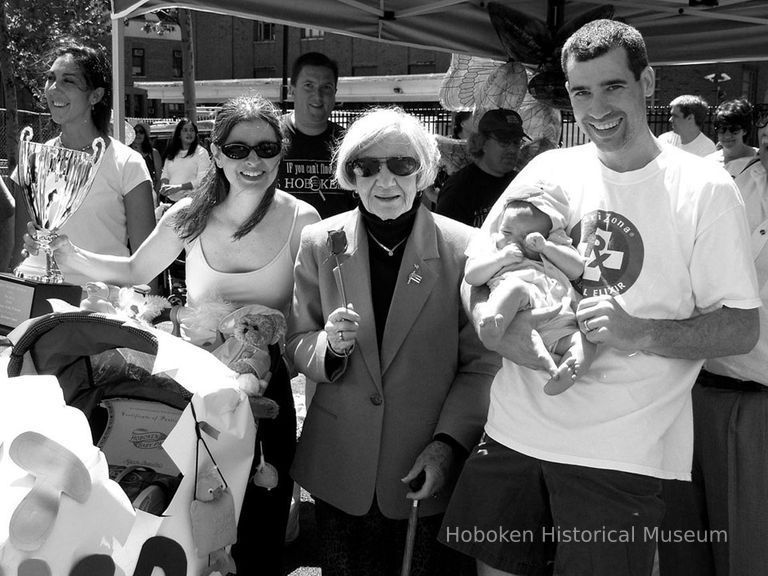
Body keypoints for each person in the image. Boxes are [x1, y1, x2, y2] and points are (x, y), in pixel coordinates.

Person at [440, 19, 760, 576]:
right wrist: (499, 330)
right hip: (513, 430)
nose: (596, 107)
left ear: (648, 82)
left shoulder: (704, 188)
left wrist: (640, 332)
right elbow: (479, 272)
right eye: (581, 90)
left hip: (620, 452)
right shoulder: (547, 168)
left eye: (613, 86)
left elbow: (741, 327)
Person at [24, 94, 321, 576]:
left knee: (262, 528)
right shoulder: (187, 216)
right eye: (238, 148)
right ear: (217, 151)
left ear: (281, 152)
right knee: (199, 522)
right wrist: (67, 253)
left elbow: (312, 316)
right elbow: (134, 268)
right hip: (199, 394)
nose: (253, 161)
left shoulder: (302, 221)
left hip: (269, 400)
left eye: (266, 149)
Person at [286, 107, 498, 576]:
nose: (385, 180)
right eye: (368, 166)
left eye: (401, 164)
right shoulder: (320, 242)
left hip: (424, 464)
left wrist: (447, 445)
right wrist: (328, 348)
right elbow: (297, 339)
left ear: (423, 170)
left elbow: (482, 364)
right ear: (350, 174)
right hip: (340, 464)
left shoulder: (465, 249)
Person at [658, 104, 768, 576]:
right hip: (688, 387)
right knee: (684, 543)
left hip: (751, 403)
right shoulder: (721, 182)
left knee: (746, 549)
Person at [15, 37, 155, 288]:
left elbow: (148, 268)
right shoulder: (34, 158)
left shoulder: (128, 164)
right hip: (40, 307)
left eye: (68, 81)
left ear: (95, 96)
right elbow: (19, 250)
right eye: (50, 78)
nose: (53, 88)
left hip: (102, 309)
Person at [464, 182, 594, 395]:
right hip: (519, 306)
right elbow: (472, 277)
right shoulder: (496, 248)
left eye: (528, 236)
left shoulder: (553, 247)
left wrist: (546, 247)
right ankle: (491, 329)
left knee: (584, 341)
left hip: (558, 320)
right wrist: (500, 259)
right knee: (514, 288)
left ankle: (567, 373)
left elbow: (576, 269)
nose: (514, 241)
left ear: (548, 234)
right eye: (507, 231)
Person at [275, 52, 352, 219]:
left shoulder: (349, 144)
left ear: (335, 93)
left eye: (326, 87)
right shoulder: (270, 138)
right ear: (292, 91)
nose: (317, 96)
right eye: (308, 85)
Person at [435, 108, 526, 227]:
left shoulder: (520, 183)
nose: (512, 149)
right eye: (504, 141)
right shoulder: (459, 189)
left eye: (516, 142)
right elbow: (446, 240)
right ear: (482, 142)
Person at [158, 118, 212, 203]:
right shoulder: (171, 153)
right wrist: (164, 186)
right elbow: (165, 175)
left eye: (192, 130)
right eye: (185, 130)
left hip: (192, 203)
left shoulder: (201, 152)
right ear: (179, 134)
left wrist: (179, 187)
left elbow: (202, 180)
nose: (189, 133)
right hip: (170, 202)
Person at [705, 97, 758, 177]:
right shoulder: (708, 163)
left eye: (734, 129)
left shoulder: (761, 161)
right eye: (721, 129)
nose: (727, 135)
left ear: (745, 130)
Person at [130, 121, 163, 195]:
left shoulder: (153, 153)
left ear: (145, 135)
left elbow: (159, 179)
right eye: (135, 131)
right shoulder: (125, 152)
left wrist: (154, 195)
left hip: (149, 193)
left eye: (141, 132)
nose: (138, 134)